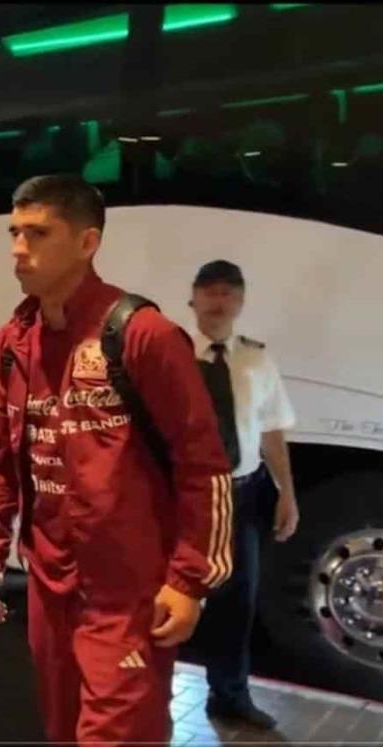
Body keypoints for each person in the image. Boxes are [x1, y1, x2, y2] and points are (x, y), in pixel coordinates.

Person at [0, 174, 233, 745]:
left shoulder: (143, 335)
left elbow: (204, 465)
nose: (18, 248)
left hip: (128, 593)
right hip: (47, 582)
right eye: (14, 231)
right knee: (61, 731)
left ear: (87, 242)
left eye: (38, 233)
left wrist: (190, 581)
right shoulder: (14, 342)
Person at [189, 259, 298, 730]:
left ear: (241, 303)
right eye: (209, 291)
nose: (219, 300)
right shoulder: (167, 355)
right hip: (185, 495)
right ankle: (143, 692)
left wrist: (287, 493)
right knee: (169, 594)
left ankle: (229, 695)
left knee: (238, 601)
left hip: (241, 494)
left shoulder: (257, 359)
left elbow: (272, 431)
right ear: (193, 299)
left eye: (229, 293)